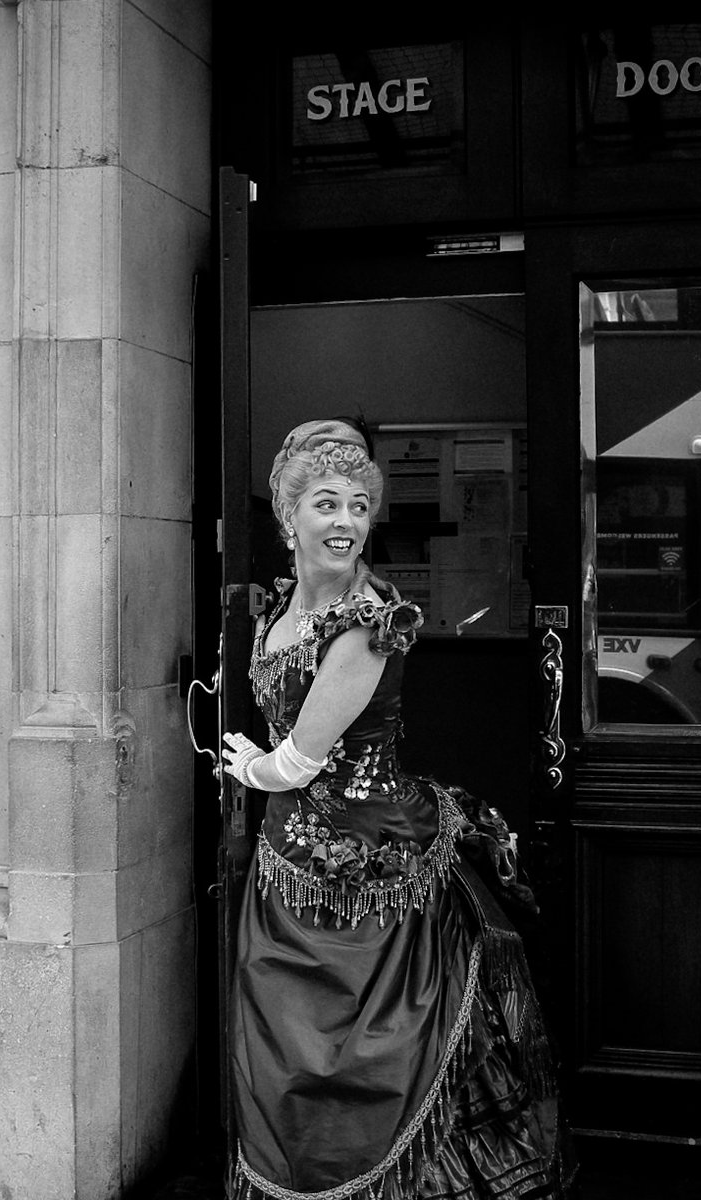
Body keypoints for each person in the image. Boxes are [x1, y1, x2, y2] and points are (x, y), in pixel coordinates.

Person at [221, 419, 568, 1200]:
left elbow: (299, 759)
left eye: (357, 506)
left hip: (377, 864)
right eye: (325, 503)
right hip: (288, 866)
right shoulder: (279, 606)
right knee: (284, 1046)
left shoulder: (368, 626)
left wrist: (250, 765)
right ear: (288, 518)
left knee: (373, 1054)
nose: (344, 521)